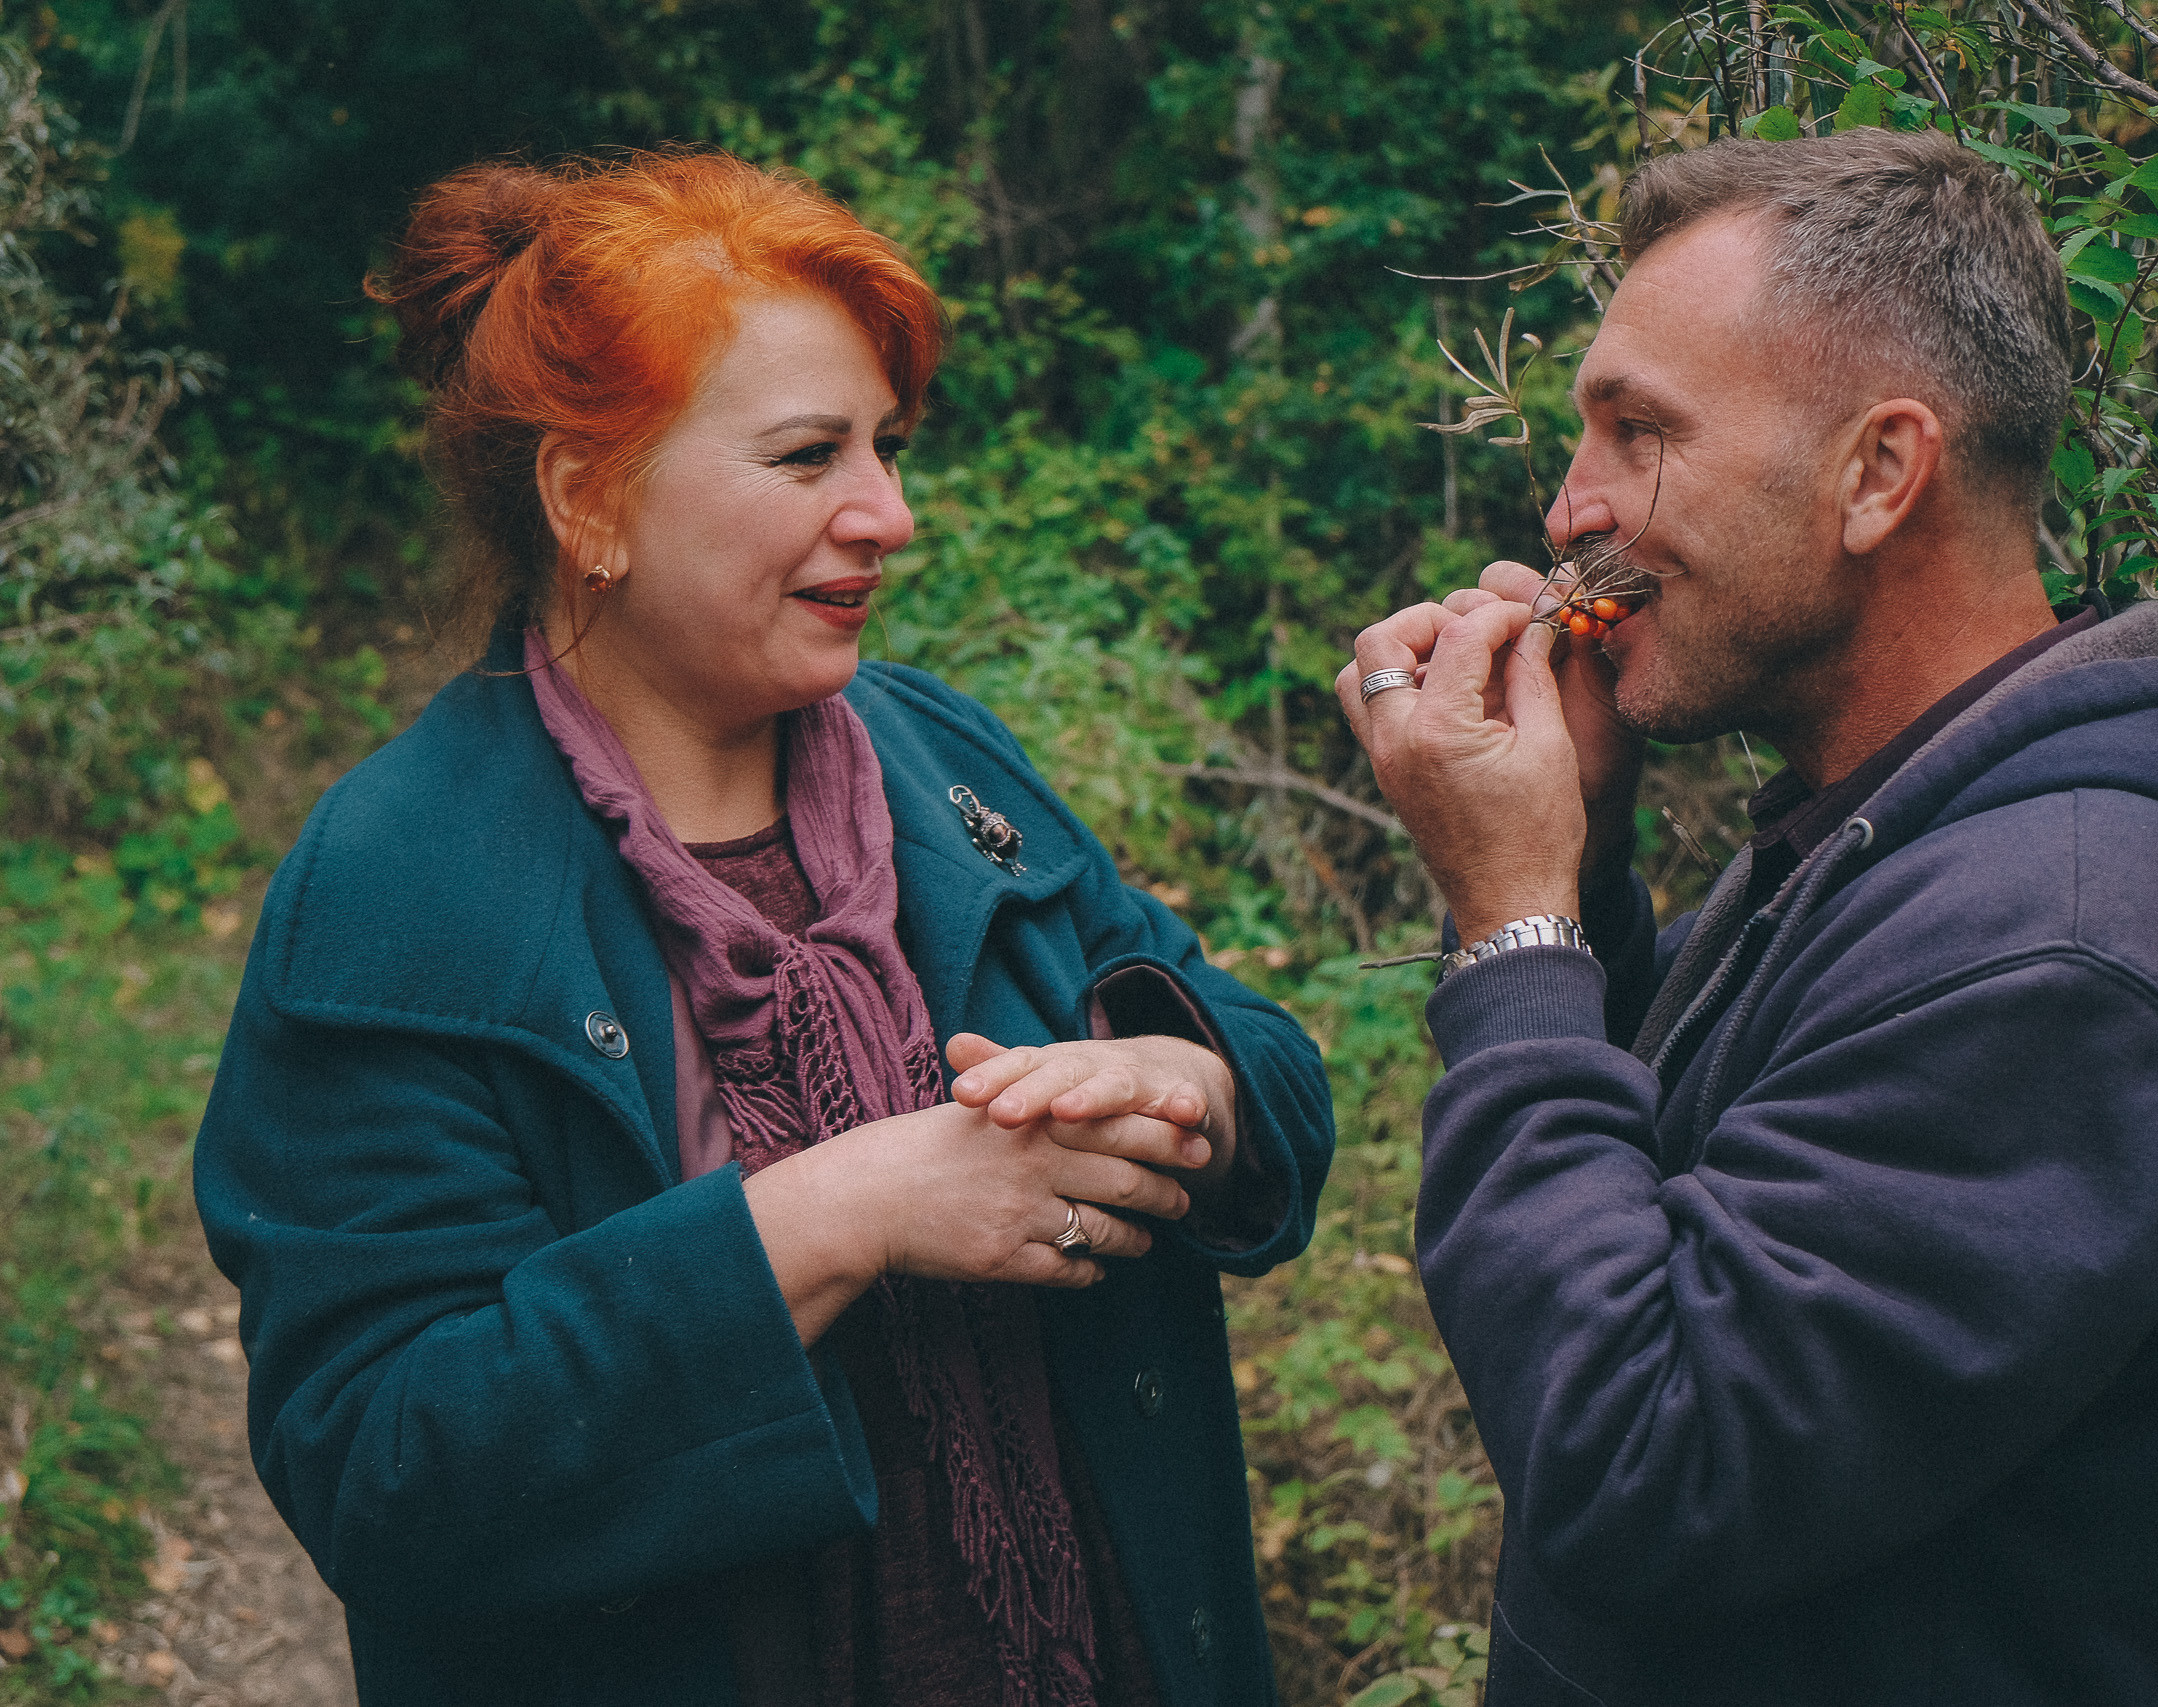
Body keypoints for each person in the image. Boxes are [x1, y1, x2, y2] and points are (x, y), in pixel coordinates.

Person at [195, 148, 1334, 1707]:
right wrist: (840, 1211)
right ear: (590, 500)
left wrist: (1187, 1088)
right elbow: (387, 1466)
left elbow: (1259, 1063)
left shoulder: (946, 759)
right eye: (810, 456)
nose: (893, 513)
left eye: (888, 445)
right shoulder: (402, 882)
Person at [1337, 130, 2158, 1705]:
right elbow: (1689, 1187)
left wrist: (1515, 918)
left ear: (1881, 474)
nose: (1570, 510)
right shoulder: (1909, 827)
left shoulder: (2067, 950)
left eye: (1639, 432)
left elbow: (1650, 1461)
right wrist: (1590, 861)